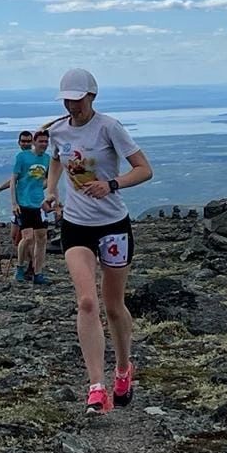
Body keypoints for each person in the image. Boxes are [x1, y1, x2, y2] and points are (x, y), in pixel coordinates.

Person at [43, 68, 153, 415]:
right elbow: (57, 162)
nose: (72, 106)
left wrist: (112, 184)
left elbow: (143, 168)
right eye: (67, 100)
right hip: (76, 226)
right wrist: (50, 191)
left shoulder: (109, 127)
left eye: (78, 99)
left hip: (113, 225)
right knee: (87, 302)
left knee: (113, 306)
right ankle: (96, 387)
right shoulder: (57, 129)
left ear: (92, 96)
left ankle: (123, 368)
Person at [11, 130, 53, 285]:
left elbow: (48, 179)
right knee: (27, 238)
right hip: (24, 204)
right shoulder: (22, 157)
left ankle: (38, 273)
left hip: (38, 204)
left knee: (42, 239)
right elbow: (13, 180)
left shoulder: (47, 159)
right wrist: (14, 203)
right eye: (41, 141)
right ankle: (20, 268)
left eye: (46, 142)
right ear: (34, 142)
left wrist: (46, 195)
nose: (44, 144)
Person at [0, 130, 35, 253]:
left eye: (28, 141)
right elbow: (14, 179)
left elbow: (46, 180)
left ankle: (31, 266)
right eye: (23, 141)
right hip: (19, 203)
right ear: (19, 143)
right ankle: (27, 263)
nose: (26, 144)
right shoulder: (20, 159)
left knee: (28, 237)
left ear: (32, 142)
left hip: (31, 203)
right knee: (15, 236)